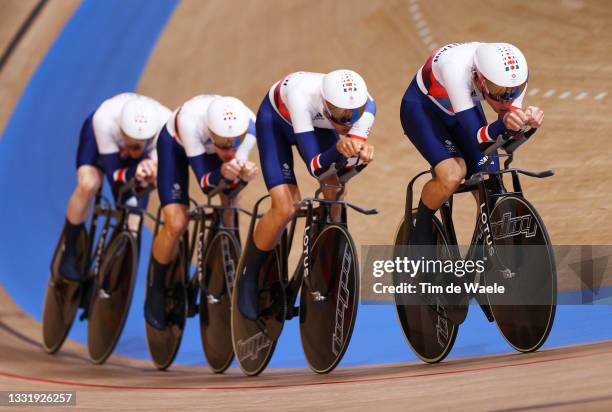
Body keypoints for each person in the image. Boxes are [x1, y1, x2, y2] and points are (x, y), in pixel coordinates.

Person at [236, 69, 377, 321]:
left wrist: (359, 157)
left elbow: (342, 167)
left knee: (336, 191)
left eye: (352, 116)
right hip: (276, 124)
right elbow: (315, 166)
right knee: (285, 207)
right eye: (341, 115)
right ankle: (250, 275)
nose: (347, 122)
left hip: (318, 125)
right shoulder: (301, 97)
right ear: (324, 103)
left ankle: (326, 263)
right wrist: (339, 149)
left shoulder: (367, 109)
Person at [400, 42, 544, 248]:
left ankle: (481, 255)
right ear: (480, 79)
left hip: (462, 107)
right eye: (497, 91)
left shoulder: (514, 77)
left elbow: (505, 143)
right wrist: (506, 123)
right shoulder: (455, 69)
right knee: (452, 175)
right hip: (423, 111)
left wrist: (524, 124)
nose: (506, 99)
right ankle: (420, 230)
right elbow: (481, 138)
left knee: (491, 178)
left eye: (512, 92)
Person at [146, 95, 259, 330]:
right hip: (175, 147)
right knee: (176, 223)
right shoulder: (191, 122)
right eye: (223, 143)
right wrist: (225, 171)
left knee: (231, 204)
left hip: (207, 148)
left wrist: (243, 174)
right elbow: (206, 184)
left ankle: (225, 255)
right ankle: (156, 289)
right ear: (210, 131)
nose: (230, 150)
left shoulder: (249, 126)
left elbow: (233, 176)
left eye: (234, 142)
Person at [59, 93, 171, 282]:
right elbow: (115, 176)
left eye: (143, 142)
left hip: (146, 153)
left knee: (134, 218)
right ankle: (69, 251)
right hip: (100, 140)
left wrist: (150, 171)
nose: (137, 147)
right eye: (134, 142)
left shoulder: (165, 125)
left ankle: (111, 278)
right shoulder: (105, 119)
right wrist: (135, 171)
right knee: (89, 184)